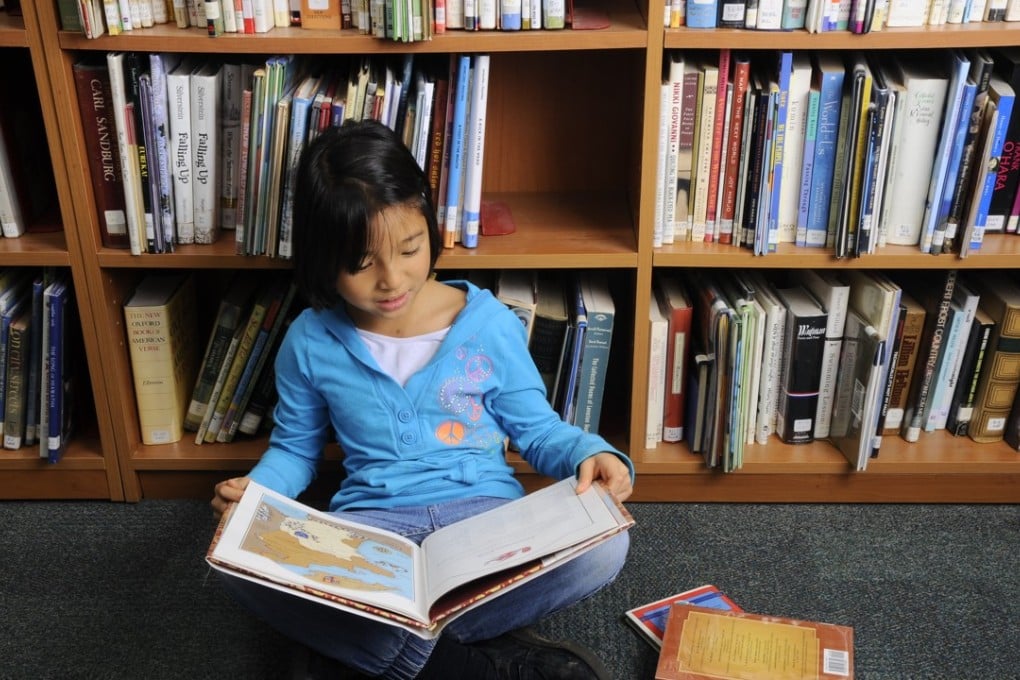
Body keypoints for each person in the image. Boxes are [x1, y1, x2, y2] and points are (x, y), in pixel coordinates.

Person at [211, 119, 634, 680]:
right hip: (368, 534)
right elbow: (295, 450)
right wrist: (257, 493)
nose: (391, 279)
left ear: (430, 228)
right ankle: (472, 664)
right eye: (361, 264)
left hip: (484, 522)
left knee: (606, 546)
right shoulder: (309, 340)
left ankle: (365, 651)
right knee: (230, 564)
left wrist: (589, 452)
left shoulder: (489, 324)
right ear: (322, 259)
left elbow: (538, 431)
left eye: (409, 249)